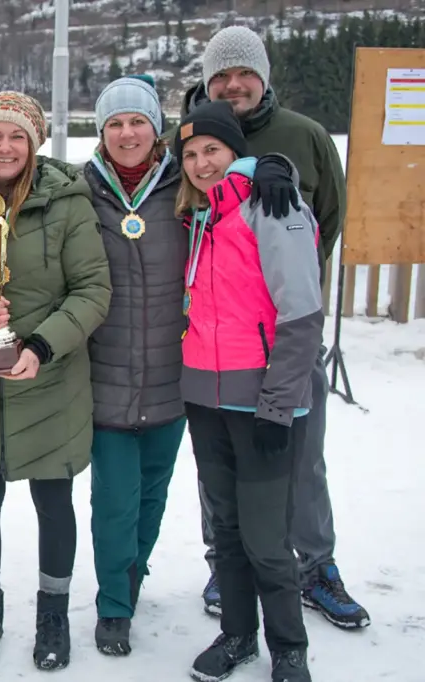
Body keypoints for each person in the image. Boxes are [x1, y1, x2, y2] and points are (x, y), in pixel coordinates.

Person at [177, 25, 369, 630]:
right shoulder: (182, 142)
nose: (233, 84)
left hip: (283, 335)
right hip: (214, 348)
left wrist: (282, 285)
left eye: (244, 73)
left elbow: (327, 219)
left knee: (300, 460)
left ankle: (316, 566)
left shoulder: (306, 137)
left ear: (263, 77)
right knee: (221, 473)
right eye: (220, 75)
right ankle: (224, 563)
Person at [0, 91, 112, 671]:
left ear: (33, 142)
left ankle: (52, 613)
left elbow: (92, 290)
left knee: (54, 500)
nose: (4, 147)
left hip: (50, 380)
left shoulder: (67, 204)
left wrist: (42, 344)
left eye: (16, 136)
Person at [175, 100, 321, 682]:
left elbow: (302, 314)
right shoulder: (201, 218)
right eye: (189, 154)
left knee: (266, 538)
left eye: (212, 150)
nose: (201, 163)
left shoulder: (272, 206)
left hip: (263, 405)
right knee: (227, 533)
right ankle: (237, 634)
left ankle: (289, 646)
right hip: (206, 402)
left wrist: (277, 404)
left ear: (237, 151)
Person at [82, 75, 187, 657]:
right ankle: (113, 605)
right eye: (115, 123)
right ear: (102, 132)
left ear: (156, 128)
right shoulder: (80, 189)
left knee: (154, 494)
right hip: (106, 376)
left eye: (138, 122)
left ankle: (133, 576)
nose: (127, 133)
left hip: (174, 375)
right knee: (114, 499)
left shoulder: (186, 188)